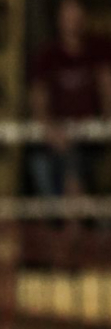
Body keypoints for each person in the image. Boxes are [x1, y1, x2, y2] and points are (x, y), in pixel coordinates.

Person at [28, 0, 111, 198]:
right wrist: (50, 129)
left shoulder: (99, 49)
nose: (73, 18)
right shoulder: (47, 55)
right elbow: (38, 100)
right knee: (50, 159)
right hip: (59, 136)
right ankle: (72, 211)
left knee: (76, 156)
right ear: (58, 18)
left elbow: (106, 87)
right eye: (68, 12)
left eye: (76, 11)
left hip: (91, 135)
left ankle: (75, 209)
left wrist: (105, 121)